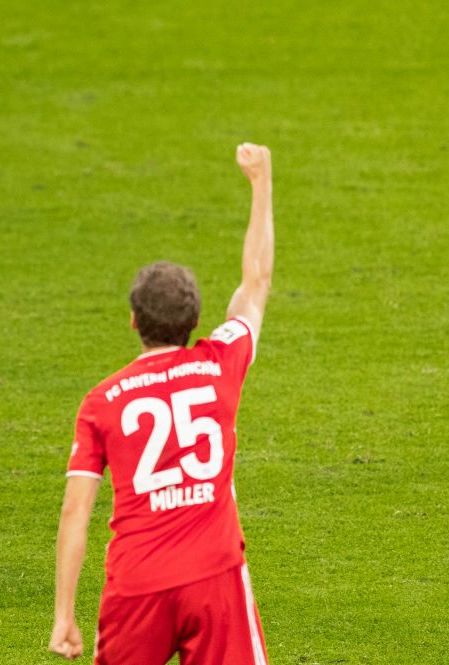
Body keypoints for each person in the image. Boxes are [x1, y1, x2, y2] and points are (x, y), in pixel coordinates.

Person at [48, 143, 275, 664]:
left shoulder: (101, 402)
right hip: (215, 577)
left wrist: (64, 615)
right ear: (195, 321)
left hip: (137, 585)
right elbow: (256, 283)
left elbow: (75, 510)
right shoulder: (222, 363)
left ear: (133, 321)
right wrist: (261, 182)